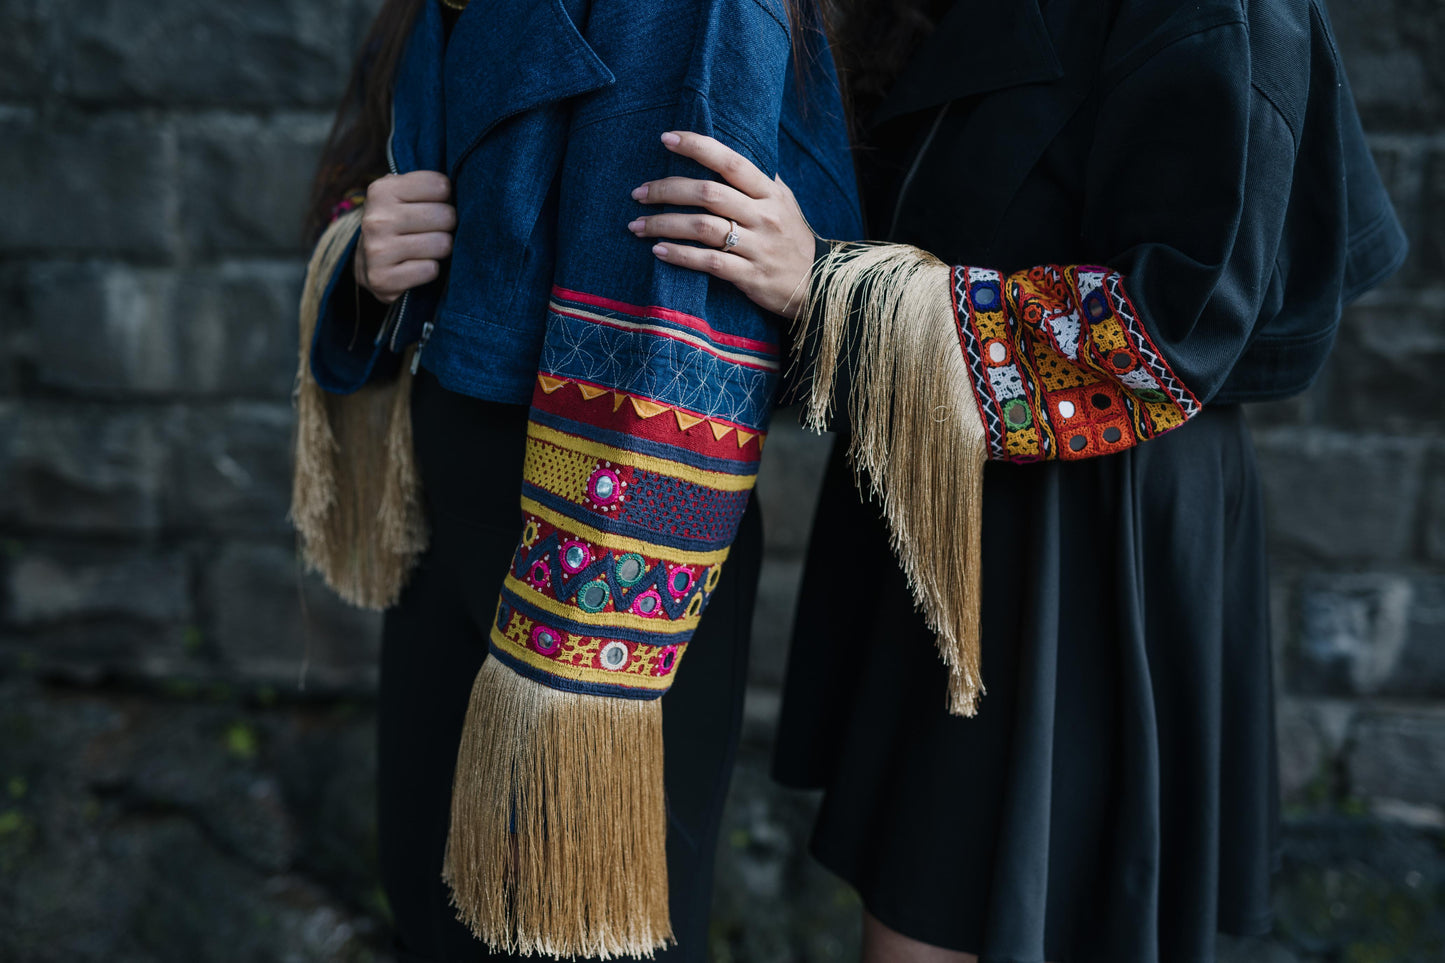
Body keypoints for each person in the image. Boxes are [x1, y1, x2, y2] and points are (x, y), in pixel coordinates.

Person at [627, 1, 1407, 961]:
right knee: (916, 901)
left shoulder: (1225, 16)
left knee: (980, 923)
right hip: (935, 481)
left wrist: (834, 285)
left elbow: (1162, 333)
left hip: (1087, 524)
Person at [291, 1, 860, 961]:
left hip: (632, 515)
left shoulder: (716, 17)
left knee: (584, 925)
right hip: (446, 490)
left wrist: (819, 274)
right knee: (436, 904)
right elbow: (372, 170)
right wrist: (363, 248)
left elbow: (786, 276)